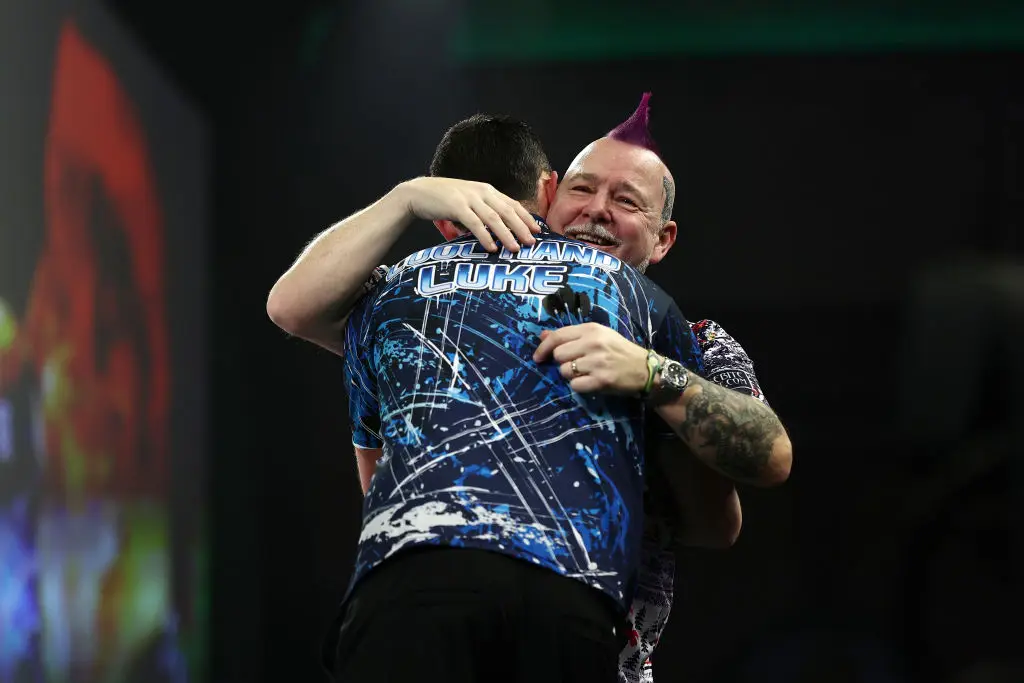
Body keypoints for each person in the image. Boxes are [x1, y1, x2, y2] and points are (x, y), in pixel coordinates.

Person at [267, 98, 793, 682]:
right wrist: (406, 196)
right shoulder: (435, 296)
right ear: (548, 195)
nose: (596, 212)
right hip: (444, 601)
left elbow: (736, 501)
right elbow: (294, 307)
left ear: (663, 238)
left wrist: (650, 375)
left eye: (625, 201)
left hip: (594, 640)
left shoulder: (691, 341)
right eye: (583, 190)